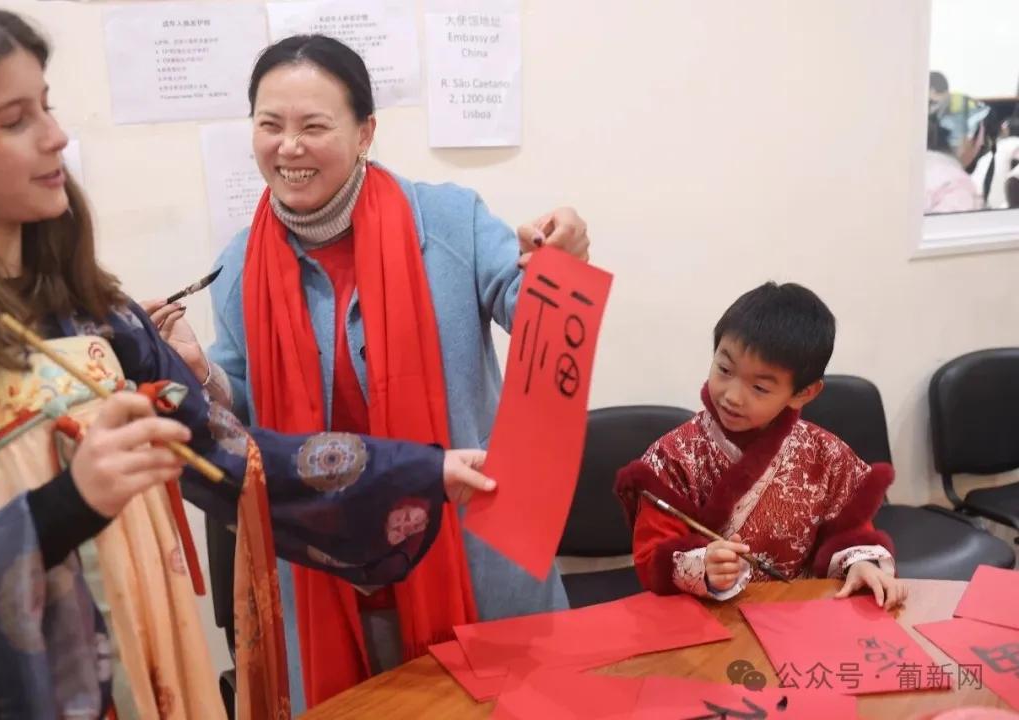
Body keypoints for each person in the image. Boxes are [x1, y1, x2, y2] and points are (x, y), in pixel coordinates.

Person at [0, 4, 494, 718]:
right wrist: (68, 504)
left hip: (154, 655)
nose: (56, 136)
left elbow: (233, 456)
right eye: (16, 120)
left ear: (365, 133)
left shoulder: (98, 315)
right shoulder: (240, 264)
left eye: (46, 107)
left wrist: (417, 472)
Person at [144, 33, 590, 710]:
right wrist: (201, 370)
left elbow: (535, 316)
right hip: (332, 573)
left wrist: (562, 265)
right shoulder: (239, 265)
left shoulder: (449, 220)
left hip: (471, 553)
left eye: (313, 126)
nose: (288, 147)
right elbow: (247, 421)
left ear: (365, 133)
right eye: (270, 125)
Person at [615, 282, 907, 610]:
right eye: (724, 370)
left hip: (798, 612)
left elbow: (849, 532)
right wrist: (702, 566)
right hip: (706, 617)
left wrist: (861, 564)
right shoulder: (673, 455)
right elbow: (651, 556)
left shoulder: (824, 454)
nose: (732, 396)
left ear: (804, 393)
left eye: (759, 387)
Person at [925, 114, 983, 214]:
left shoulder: (907, 169)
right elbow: (954, 222)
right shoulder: (957, 184)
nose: (981, 144)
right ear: (967, 140)